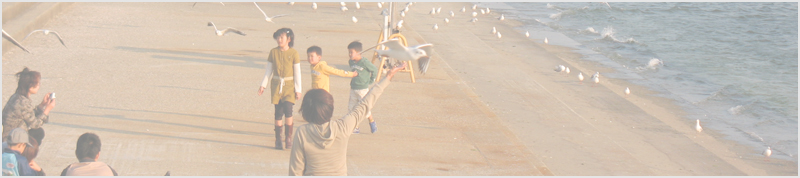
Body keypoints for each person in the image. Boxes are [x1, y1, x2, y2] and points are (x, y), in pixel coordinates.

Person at [288, 63, 405, 176]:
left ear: (306, 111)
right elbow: (365, 104)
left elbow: (295, 172)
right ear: (330, 107)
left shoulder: (302, 133)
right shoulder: (342, 127)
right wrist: (388, 76)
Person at [258, 28, 302, 150]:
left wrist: (298, 90)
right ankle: (278, 139)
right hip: (276, 86)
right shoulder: (273, 52)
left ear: (289, 39)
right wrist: (263, 85)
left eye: (281, 37)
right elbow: (269, 71)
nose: (279, 40)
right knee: (278, 113)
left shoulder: (294, 53)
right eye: (278, 37)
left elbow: (297, 72)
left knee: (288, 110)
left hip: (289, 86)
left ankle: (288, 138)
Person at [2, 67, 55, 145]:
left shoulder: (17, 96)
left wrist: (42, 105)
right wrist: (47, 109)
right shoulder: (23, 102)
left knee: (38, 132)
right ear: (30, 87)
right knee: (38, 133)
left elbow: (29, 115)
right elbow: (35, 124)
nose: (39, 86)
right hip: (11, 139)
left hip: (11, 133)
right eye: (37, 84)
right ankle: (27, 155)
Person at [346, 41, 378, 134]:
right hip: (353, 88)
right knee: (352, 108)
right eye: (349, 52)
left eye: (352, 52)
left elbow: (374, 70)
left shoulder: (364, 62)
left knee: (364, 108)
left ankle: (371, 121)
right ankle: (356, 127)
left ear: (359, 52)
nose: (350, 54)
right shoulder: (351, 62)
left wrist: (371, 80)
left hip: (363, 89)